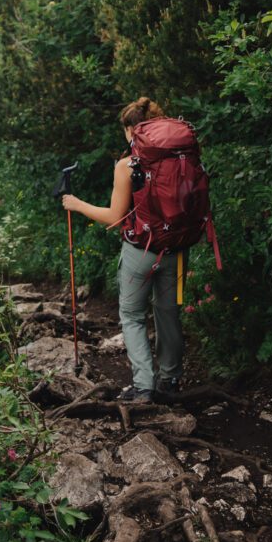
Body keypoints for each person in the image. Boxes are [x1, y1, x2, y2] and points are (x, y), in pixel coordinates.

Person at [61, 96, 184, 404]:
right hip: (176, 249)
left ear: (132, 129)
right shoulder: (182, 158)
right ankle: (170, 381)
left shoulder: (127, 165)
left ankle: (144, 386)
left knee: (131, 315)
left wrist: (77, 205)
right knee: (168, 313)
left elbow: (115, 218)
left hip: (139, 251)